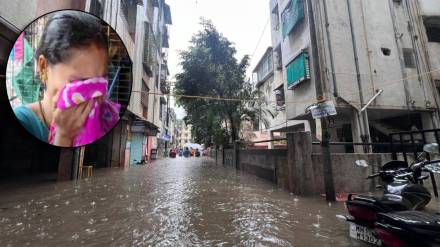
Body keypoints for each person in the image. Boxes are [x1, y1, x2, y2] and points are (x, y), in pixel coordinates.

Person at [13, 10, 109, 147]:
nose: (92, 96)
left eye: (99, 84)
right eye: (80, 83)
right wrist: (63, 135)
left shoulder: (102, 122)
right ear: (43, 67)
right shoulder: (23, 121)